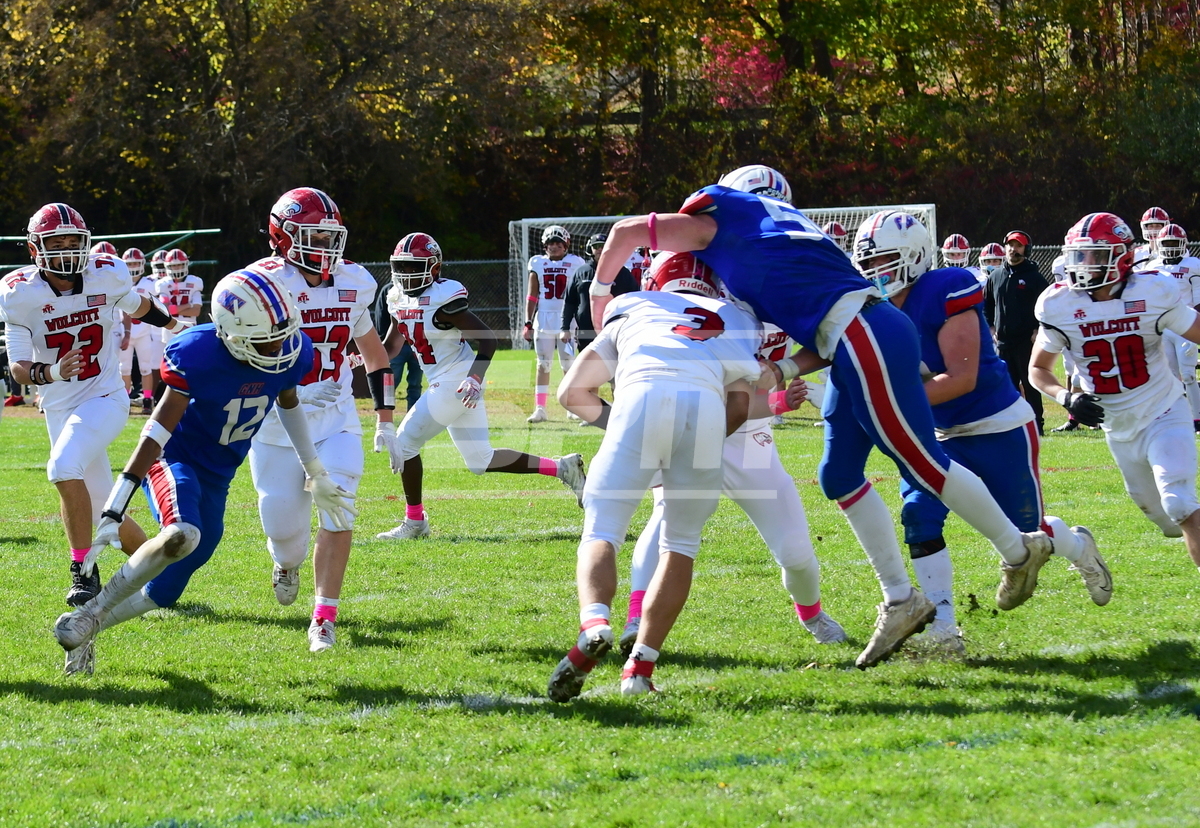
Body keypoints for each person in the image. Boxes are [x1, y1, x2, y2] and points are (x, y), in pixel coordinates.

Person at [589, 166, 1056, 670]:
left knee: (920, 461)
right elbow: (823, 321)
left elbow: (626, 232)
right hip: (848, 338)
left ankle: (1018, 549)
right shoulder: (783, 240)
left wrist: (600, 301)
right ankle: (900, 598)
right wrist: (783, 369)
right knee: (838, 474)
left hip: (861, 334)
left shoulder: (729, 222)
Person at [810, 212, 1111, 655]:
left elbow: (961, 378)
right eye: (868, 262)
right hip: (937, 433)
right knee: (919, 517)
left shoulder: (944, 289)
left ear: (914, 255)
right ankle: (943, 627)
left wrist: (885, 403)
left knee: (1025, 532)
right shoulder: (870, 308)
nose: (875, 271)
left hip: (996, 425)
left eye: (885, 259)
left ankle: (1078, 546)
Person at [52, 268, 356, 674]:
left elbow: (288, 402)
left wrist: (314, 470)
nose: (280, 347)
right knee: (183, 533)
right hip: (176, 460)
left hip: (219, 476)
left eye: (283, 335)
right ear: (232, 334)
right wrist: (115, 505)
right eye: (267, 340)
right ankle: (91, 612)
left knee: (166, 590)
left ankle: (86, 627)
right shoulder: (199, 353)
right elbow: (157, 430)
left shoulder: (289, 348)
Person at [551, 254, 761, 699]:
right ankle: (639, 670)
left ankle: (595, 623)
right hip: (705, 410)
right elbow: (741, 407)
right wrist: (692, 444)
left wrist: (623, 428)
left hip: (640, 395)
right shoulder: (736, 317)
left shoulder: (633, 305)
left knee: (602, 529)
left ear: (656, 277)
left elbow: (571, 392)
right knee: (680, 545)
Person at [617, 253, 845, 660]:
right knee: (666, 516)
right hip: (693, 426)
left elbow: (827, 343)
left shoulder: (768, 296)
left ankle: (812, 615)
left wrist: (783, 373)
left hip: (750, 438)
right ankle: (636, 620)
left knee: (795, 550)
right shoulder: (682, 301)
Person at [0, 204, 185, 618]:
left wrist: (178, 328)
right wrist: (52, 371)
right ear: (35, 249)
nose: (67, 251)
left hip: (105, 397)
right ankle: (165, 575)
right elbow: (18, 367)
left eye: (73, 242)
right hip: (59, 406)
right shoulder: (19, 294)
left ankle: (83, 571)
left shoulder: (106, 273)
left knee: (62, 467)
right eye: (57, 243)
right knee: (105, 511)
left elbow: (138, 305)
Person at [244, 187, 393, 651]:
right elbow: (244, 362)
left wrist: (385, 418)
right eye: (314, 236)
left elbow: (375, 355)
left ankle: (324, 617)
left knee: (340, 507)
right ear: (282, 236)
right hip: (277, 426)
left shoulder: (353, 281)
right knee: (286, 536)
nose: (325, 246)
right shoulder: (262, 284)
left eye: (330, 237)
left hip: (336, 417)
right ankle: (285, 563)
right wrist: (292, 388)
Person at [374, 232, 587, 540]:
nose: (406, 273)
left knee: (405, 444)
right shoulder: (396, 298)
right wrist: (359, 356)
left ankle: (415, 521)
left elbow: (488, 338)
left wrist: (474, 377)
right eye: (402, 266)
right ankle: (563, 468)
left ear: (434, 268)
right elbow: (391, 346)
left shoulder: (443, 299)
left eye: (414, 266)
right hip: (446, 379)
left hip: (457, 378)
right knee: (480, 460)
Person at [1031, 212, 1200, 568]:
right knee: (1169, 523)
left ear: (1123, 256)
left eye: (1094, 254)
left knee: (1180, 503)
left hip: (1164, 411)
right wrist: (1066, 397)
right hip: (1118, 428)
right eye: (1078, 255)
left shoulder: (1152, 292)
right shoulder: (1060, 304)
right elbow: (1038, 369)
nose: (1083, 264)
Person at [984, 230, 1051, 435]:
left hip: (1025, 342)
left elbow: (1047, 306)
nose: (1013, 250)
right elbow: (987, 306)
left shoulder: (1034, 277)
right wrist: (992, 328)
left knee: (1031, 385)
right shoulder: (995, 276)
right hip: (1003, 343)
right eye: (1010, 245)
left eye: (1018, 246)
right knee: (1006, 386)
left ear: (1026, 249)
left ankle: (1037, 425)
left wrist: (1037, 329)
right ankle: (1011, 425)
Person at [523, 225, 586, 422]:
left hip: (568, 320)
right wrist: (527, 322)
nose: (555, 246)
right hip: (543, 320)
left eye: (559, 243)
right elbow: (532, 296)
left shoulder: (575, 262)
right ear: (545, 245)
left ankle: (571, 405)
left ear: (566, 245)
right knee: (543, 363)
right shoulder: (537, 263)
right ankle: (540, 408)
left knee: (569, 362)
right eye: (551, 243)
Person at [1148, 223, 1200, 430]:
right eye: (1166, 243)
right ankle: (1174, 417)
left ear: (1183, 244)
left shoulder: (1193, 264)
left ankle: (1197, 418)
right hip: (1164, 327)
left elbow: (1198, 301)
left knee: (1188, 374)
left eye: (1174, 243)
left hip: (1186, 324)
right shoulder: (1152, 266)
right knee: (1169, 376)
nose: (1170, 247)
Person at [560, 232, 638, 354]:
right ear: (590, 249)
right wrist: (564, 328)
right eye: (596, 246)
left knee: (614, 364)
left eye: (603, 246)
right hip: (586, 331)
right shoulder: (580, 272)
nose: (600, 249)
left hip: (614, 329)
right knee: (588, 364)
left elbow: (635, 300)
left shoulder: (622, 273)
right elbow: (569, 302)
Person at [117, 247, 162, 415]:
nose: (133, 267)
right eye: (129, 264)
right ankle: (126, 399)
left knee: (146, 368)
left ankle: (147, 399)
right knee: (125, 369)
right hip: (125, 332)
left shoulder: (150, 283)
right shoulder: (120, 282)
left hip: (144, 332)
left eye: (136, 263)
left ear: (142, 264)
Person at [154, 248, 203, 344]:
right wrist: (188, 305)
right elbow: (166, 311)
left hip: (189, 327)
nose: (176, 268)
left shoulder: (195, 282)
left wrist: (174, 309)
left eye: (179, 265)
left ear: (185, 264)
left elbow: (196, 311)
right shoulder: (163, 284)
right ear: (168, 266)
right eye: (173, 265)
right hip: (170, 329)